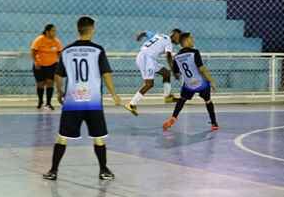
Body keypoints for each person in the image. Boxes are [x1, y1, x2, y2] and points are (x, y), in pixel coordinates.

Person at [44, 17, 122, 181]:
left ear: (78, 29)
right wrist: (114, 94)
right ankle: (103, 170)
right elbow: (106, 73)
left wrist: (59, 92)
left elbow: (58, 75)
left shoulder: (67, 51)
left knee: (62, 136)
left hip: (73, 101)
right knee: (98, 136)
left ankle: (53, 170)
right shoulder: (98, 50)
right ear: (92, 29)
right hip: (92, 102)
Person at [162, 33, 218, 132]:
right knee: (208, 101)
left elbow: (177, 74)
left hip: (189, 86)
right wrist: (211, 81)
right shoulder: (195, 52)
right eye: (191, 38)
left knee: (182, 100)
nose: (193, 40)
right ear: (186, 40)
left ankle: (174, 117)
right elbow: (202, 69)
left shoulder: (177, 57)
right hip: (201, 85)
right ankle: (214, 123)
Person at [126, 29, 181, 115]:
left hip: (147, 58)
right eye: (179, 37)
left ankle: (167, 97)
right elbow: (169, 56)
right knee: (149, 84)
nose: (180, 40)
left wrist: (140, 35)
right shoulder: (168, 42)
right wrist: (174, 71)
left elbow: (144, 32)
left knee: (166, 73)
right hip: (146, 59)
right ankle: (132, 104)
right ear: (175, 35)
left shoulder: (159, 35)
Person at [31, 24, 63, 110]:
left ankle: (48, 103)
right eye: (53, 31)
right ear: (47, 32)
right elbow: (33, 51)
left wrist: (61, 63)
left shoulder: (56, 41)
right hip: (40, 65)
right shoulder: (39, 40)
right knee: (40, 84)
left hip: (52, 65)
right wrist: (36, 62)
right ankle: (40, 101)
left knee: (50, 83)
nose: (54, 32)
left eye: (55, 31)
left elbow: (60, 53)